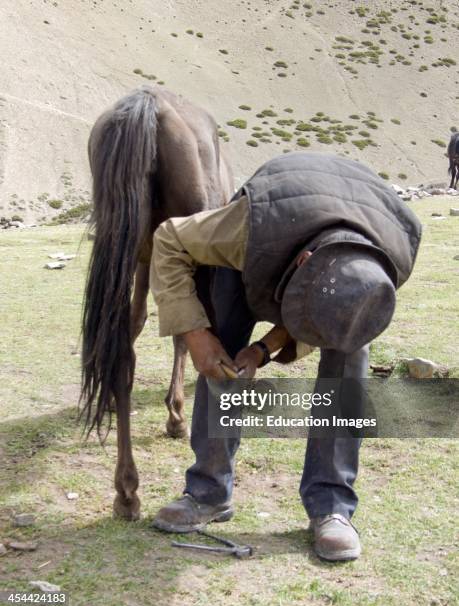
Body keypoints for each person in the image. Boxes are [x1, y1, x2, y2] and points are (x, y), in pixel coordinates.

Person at [149, 152, 422, 561]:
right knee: (222, 351)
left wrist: (263, 350)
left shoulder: (393, 255)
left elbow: (320, 315)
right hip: (266, 234)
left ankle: (331, 506)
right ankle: (208, 491)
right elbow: (168, 238)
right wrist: (196, 335)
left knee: (345, 371)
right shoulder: (240, 231)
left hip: (358, 254)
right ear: (302, 262)